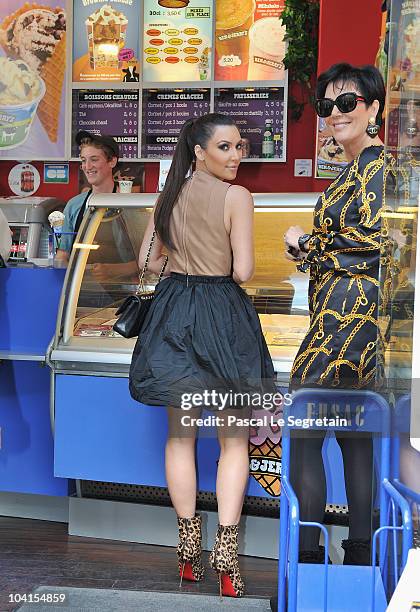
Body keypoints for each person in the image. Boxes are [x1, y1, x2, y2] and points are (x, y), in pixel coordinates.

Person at [129, 113, 276, 598]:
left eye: (240, 147)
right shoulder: (238, 197)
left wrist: (182, 259)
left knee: (179, 438)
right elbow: (244, 272)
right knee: (233, 443)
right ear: (200, 150)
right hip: (222, 318)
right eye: (227, 147)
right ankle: (228, 562)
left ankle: (188, 552)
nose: (237, 156)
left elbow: (149, 262)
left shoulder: (167, 195)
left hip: (174, 316)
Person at [283, 64, 395, 567]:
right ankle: (357, 565)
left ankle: (310, 561)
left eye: (347, 103)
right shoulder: (358, 169)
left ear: (374, 109)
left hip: (347, 324)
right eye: (327, 107)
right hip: (345, 319)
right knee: (354, 437)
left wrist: (308, 244)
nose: (334, 115)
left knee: (307, 431)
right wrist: (309, 252)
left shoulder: (376, 167)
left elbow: (374, 245)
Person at [56, 131, 138, 282]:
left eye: (94, 159)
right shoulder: (74, 205)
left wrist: (112, 271)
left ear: (112, 161)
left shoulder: (131, 205)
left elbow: (146, 261)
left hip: (123, 293)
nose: (87, 167)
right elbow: (63, 254)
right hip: (80, 292)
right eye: (83, 160)